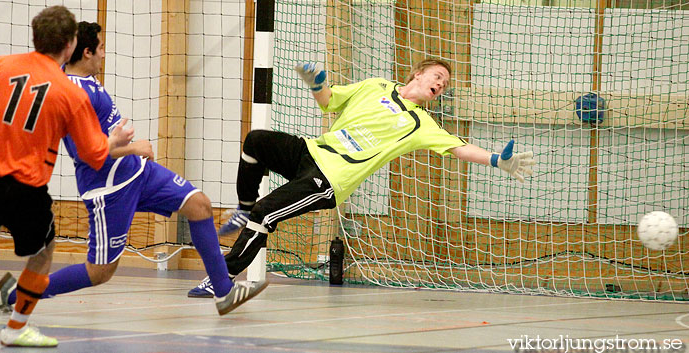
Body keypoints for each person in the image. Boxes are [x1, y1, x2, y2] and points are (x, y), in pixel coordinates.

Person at [0, 21, 268, 322]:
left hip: (138, 174)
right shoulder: (72, 93)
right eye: (100, 48)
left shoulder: (82, 81)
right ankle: (10, 296)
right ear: (86, 53)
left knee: (198, 204)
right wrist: (133, 148)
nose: (104, 54)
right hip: (108, 190)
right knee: (99, 272)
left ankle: (224, 292)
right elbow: (86, 153)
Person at [187, 59, 536, 297]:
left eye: (444, 84)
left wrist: (496, 160)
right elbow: (328, 101)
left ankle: (223, 279)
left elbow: (458, 148)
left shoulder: (420, 124)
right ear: (417, 75)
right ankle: (243, 208)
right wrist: (316, 84)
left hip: (330, 178)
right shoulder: (376, 85)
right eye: (436, 76)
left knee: (268, 213)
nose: (441, 84)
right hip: (312, 151)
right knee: (256, 140)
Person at [0, 6, 136, 347]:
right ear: (70, 45)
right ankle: (16, 327)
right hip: (26, 186)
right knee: (43, 253)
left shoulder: (0, 65)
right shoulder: (70, 92)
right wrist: (113, 141)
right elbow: (93, 154)